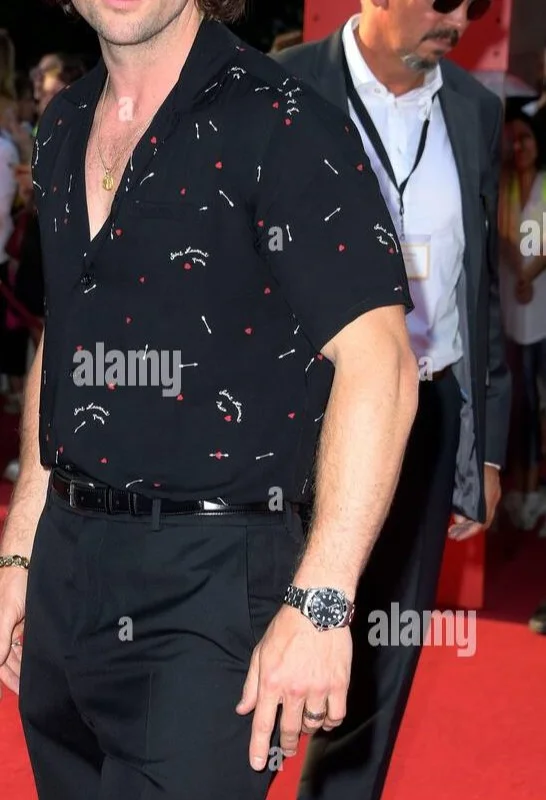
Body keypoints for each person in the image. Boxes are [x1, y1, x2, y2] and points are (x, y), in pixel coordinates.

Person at [0, 2, 420, 799]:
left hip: (209, 590)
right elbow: (68, 338)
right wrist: (21, 551)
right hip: (64, 570)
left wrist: (322, 604)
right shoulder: (64, 123)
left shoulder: (283, 121)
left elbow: (382, 364)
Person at [273, 1, 511, 798]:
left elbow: (478, 288)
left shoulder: (474, 109)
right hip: (297, 414)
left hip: (428, 415)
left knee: (381, 651)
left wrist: (484, 450)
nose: (460, 18)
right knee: (254, 635)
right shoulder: (277, 87)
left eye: (475, 4)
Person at [499, 112, 546, 533]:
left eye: (526, 138)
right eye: (514, 140)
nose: (520, 147)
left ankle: (536, 489)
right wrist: (518, 269)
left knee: (537, 400)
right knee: (519, 401)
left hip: (540, 305)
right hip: (513, 309)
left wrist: (530, 274)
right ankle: (519, 489)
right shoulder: (505, 185)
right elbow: (502, 234)